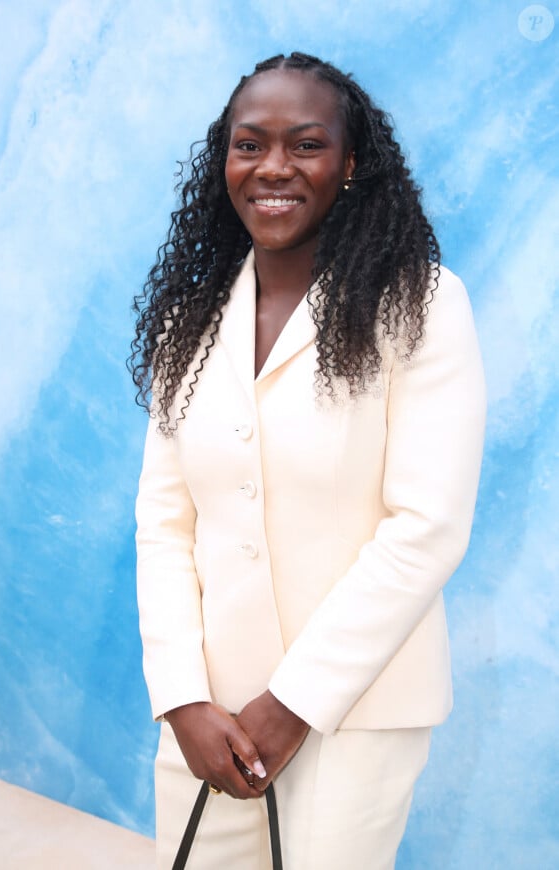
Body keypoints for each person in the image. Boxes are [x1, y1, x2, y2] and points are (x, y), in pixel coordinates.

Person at [130, 52, 486, 870]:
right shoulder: (192, 321)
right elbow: (163, 522)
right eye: (249, 144)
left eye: (307, 144)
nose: (274, 168)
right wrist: (183, 696)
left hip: (356, 711)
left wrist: (293, 703)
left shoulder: (423, 307)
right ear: (224, 159)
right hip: (210, 717)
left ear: (351, 164)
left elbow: (425, 529)